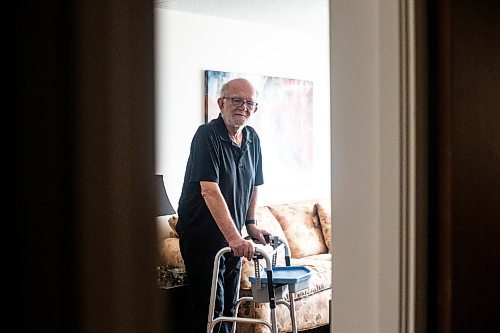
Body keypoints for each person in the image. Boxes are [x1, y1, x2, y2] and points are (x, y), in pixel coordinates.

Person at [176, 78, 270, 333]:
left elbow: (254, 185)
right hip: (202, 235)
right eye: (237, 100)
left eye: (249, 102)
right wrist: (233, 237)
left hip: (232, 237)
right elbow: (209, 190)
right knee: (210, 309)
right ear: (221, 103)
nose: (243, 106)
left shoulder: (252, 138)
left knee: (230, 308)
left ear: (255, 108)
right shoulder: (207, 135)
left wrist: (250, 225)